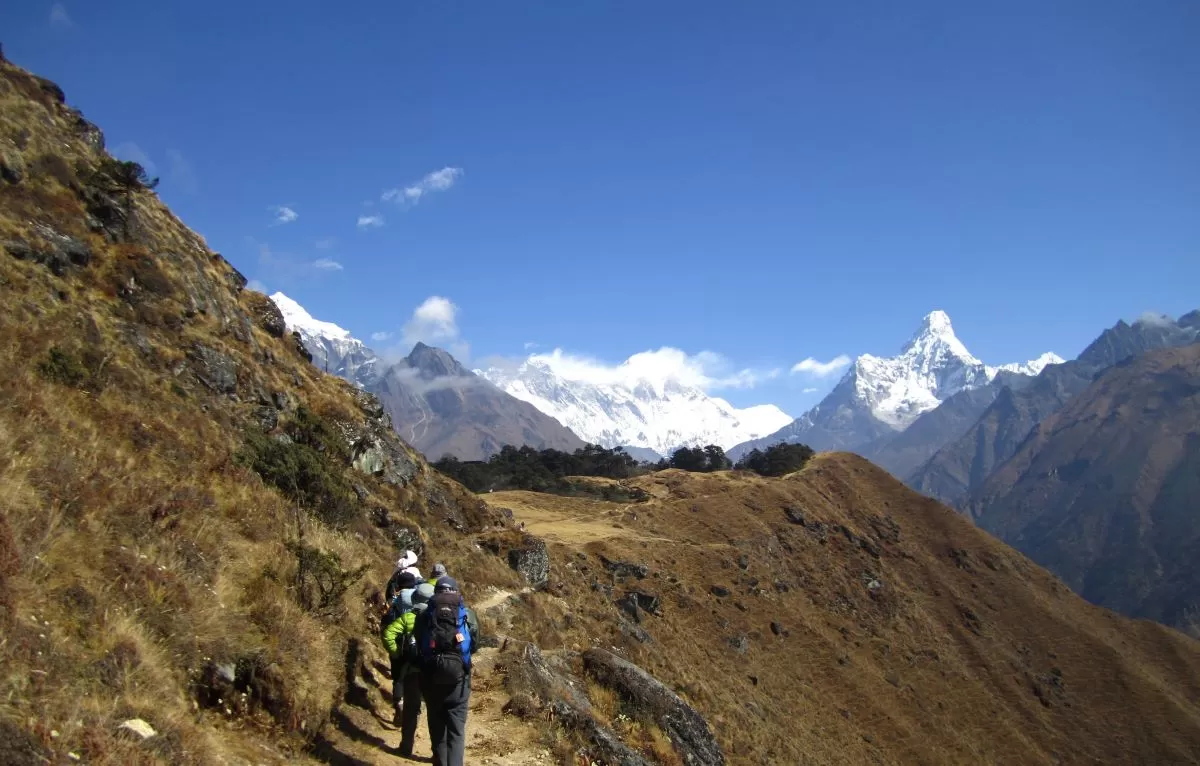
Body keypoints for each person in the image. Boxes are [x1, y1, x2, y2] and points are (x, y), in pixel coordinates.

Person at [415, 576, 479, 766]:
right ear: (455, 591)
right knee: (456, 732)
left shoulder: (425, 615)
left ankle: (440, 761)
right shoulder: (466, 614)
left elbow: (419, 642)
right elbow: (474, 644)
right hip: (458, 680)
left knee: (437, 727)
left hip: (430, 678)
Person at [380, 570, 421, 751]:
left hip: (398, 642)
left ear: (400, 585)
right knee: (412, 679)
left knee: (398, 676)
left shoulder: (395, 601)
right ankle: (414, 709)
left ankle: (399, 703)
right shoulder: (419, 599)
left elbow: (387, 623)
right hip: (415, 646)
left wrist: (394, 651)